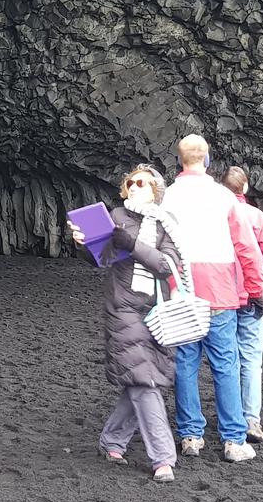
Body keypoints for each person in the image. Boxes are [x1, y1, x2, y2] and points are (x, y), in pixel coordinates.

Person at [69, 165, 183, 483]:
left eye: (141, 183)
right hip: (123, 309)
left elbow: (166, 264)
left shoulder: (166, 224)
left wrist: (131, 243)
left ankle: (112, 441)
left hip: (158, 311)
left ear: (155, 191)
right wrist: (82, 243)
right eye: (129, 182)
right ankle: (162, 458)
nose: (133, 186)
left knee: (143, 378)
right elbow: (100, 258)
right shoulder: (116, 216)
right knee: (144, 381)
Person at [160, 133, 263, 464]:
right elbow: (246, 248)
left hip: (181, 288)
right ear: (206, 160)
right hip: (219, 289)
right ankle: (233, 440)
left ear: (180, 160)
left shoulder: (168, 196)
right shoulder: (224, 197)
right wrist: (256, 288)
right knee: (226, 365)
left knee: (186, 364)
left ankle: (191, 435)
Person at [221, 166, 263, 443]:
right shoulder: (256, 216)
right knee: (251, 359)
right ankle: (250, 419)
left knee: (226, 359)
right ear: (244, 188)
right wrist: (254, 275)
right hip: (252, 294)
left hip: (221, 294)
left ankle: (231, 414)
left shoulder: (216, 215)